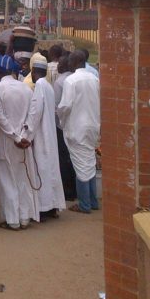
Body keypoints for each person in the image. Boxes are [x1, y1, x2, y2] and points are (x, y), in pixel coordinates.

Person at [0, 54, 35, 230]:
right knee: (22, 178)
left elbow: (0, 118)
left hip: (6, 141)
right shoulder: (26, 89)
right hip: (24, 141)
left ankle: (12, 220)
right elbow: (32, 115)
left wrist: (15, 136)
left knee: (6, 180)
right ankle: (24, 218)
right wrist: (24, 136)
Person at [57, 50, 100, 214]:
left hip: (76, 127)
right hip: (93, 126)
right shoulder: (94, 78)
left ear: (74, 63)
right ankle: (92, 201)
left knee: (81, 166)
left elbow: (65, 106)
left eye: (70, 61)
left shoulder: (71, 81)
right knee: (89, 163)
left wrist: (60, 119)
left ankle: (84, 204)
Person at [26, 54, 66, 219]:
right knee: (50, 171)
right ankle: (52, 207)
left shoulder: (40, 85)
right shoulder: (48, 85)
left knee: (42, 171)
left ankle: (44, 208)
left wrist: (27, 134)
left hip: (42, 136)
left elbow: (35, 113)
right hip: (49, 134)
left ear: (34, 71)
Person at [53, 53, 77, 200]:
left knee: (63, 158)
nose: (57, 66)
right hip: (76, 123)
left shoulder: (59, 82)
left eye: (59, 64)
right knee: (74, 158)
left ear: (63, 66)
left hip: (62, 125)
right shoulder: (75, 79)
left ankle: (67, 191)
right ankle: (76, 189)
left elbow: (56, 107)